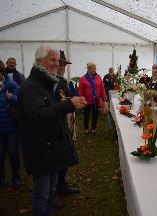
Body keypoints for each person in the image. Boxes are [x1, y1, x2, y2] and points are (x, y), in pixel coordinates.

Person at [17, 44, 87, 216]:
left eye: (58, 60)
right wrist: (68, 105)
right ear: (40, 61)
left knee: (49, 192)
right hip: (40, 149)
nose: (57, 64)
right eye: (53, 60)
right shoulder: (31, 86)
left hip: (51, 148)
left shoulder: (47, 83)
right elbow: (38, 116)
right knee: (42, 195)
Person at [52, 50, 80, 209]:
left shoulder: (63, 81)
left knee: (65, 158)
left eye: (63, 64)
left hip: (67, 124)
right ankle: (53, 192)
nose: (62, 67)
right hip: (56, 126)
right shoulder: (50, 82)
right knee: (56, 160)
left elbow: (72, 97)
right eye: (59, 64)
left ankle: (62, 186)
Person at [0, 60, 21, 190]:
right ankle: (1, 177)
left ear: (1, 72)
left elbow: (22, 103)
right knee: (0, 154)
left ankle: (16, 177)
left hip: (12, 126)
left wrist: (11, 98)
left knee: (13, 152)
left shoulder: (12, 86)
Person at [78, 62, 107, 135]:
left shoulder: (98, 77)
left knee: (95, 115)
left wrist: (104, 96)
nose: (94, 70)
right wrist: (80, 98)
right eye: (93, 69)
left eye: (95, 69)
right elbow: (80, 90)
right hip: (86, 101)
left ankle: (93, 128)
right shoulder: (83, 78)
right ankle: (86, 128)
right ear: (88, 69)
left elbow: (102, 87)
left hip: (95, 101)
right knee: (86, 115)